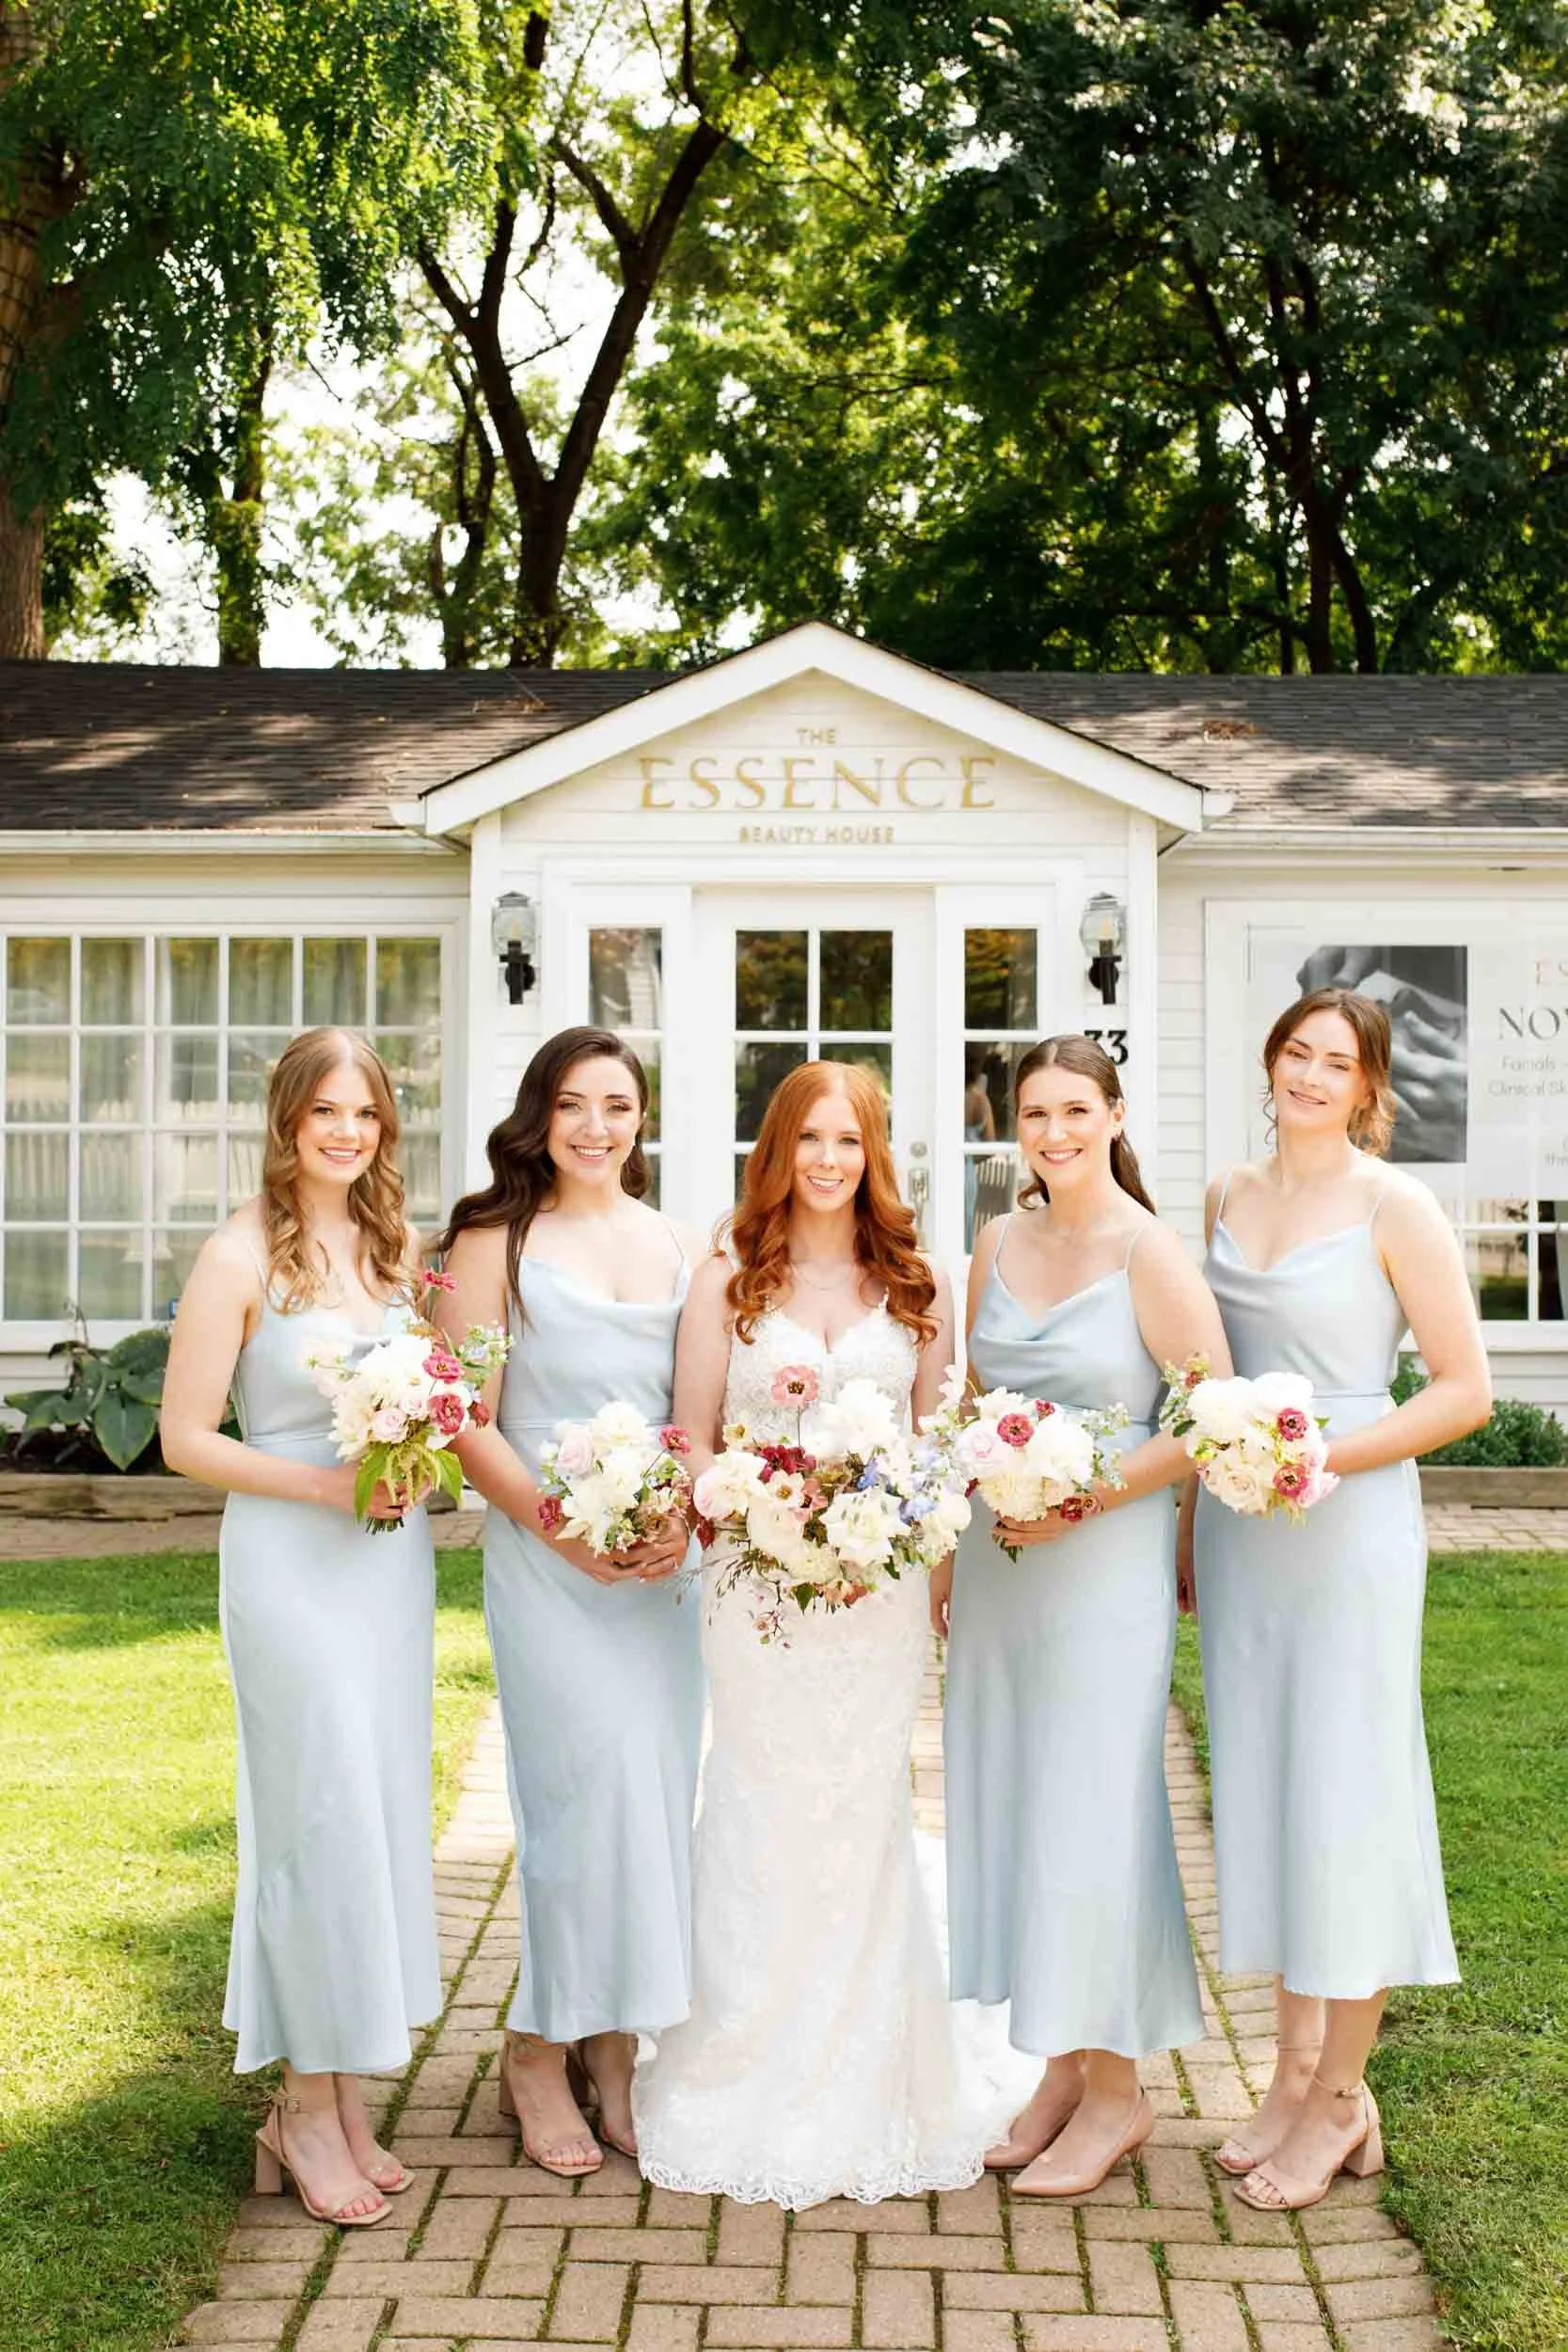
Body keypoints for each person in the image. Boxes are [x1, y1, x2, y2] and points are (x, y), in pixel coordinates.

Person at [633, 1060, 986, 2206]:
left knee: (861, 1802)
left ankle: (870, 2071)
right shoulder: (726, 1279)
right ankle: (740, 2053)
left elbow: (936, 1445)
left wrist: (925, 1566)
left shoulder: (918, 1283)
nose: (828, 1160)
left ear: (873, 1154)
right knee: (758, 1795)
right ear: (776, 1150)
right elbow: (691, 1437)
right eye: (809, 1139)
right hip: (756, 1593)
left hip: (877, 1597)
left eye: (849, 1140)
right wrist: (758, 1509)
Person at [1192, 986, 1491, 2212]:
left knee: (1346, 1801)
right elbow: (1204, 1377)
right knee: (1269, 1791)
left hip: (1345, 1524)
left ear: (1366, 1086)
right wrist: (1195, 1521)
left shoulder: (1392, 1204)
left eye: (1335, 1061)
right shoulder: (1223, 1194)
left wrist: (1320, 1456)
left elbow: (1462, 1390)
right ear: (1268, 1062)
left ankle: (1338, 2099)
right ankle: (1287, 2074)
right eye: (1294, 1052)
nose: (1309, 1075)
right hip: (1241, 1531)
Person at [940, 1035, 1229, 2198]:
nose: (1052, 1132)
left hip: (1101, 1564)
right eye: (1033, 1114)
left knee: (1090, 1810)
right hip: (1000, 1561)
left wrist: (1084, 1493)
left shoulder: (1147, 1250)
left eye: (1073, 1110)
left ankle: (1117, 2092)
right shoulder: (994, 1242)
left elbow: (1209, 1415)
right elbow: (975, 1399)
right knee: (1019, 1800)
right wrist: (953, 1546)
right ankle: (1061, 2069)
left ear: (1113, 1115)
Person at [161, 1027, 438, 2230]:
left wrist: (414, 1458)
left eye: (365, 1113)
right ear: (286, 1119)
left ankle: (340, 2095)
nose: (346, 1131)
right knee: (312, 1812)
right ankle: (300, 2106)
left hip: (385, 1565)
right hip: (289, 1558)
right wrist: (327, 1486)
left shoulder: (394, 1247)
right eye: (326, 1110)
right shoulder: (237, 1254)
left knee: (370, 1809)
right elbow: (185, 1439)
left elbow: (425, 1397)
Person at [436, 1028, 703, 2178]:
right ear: (538, 1113)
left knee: (649, 1797)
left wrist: (675, 1516)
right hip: (547, 1557)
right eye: (573, 1104)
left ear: (642, 1120)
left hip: (655, 1569)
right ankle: (536, 2048)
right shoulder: (489, 1240)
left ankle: (613, 2043)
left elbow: (695, 1414)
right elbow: (465, 1416)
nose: (596, 1127)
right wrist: (563, 1528)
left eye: (618, 1106)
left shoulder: (679, 1241)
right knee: (572, 1801)